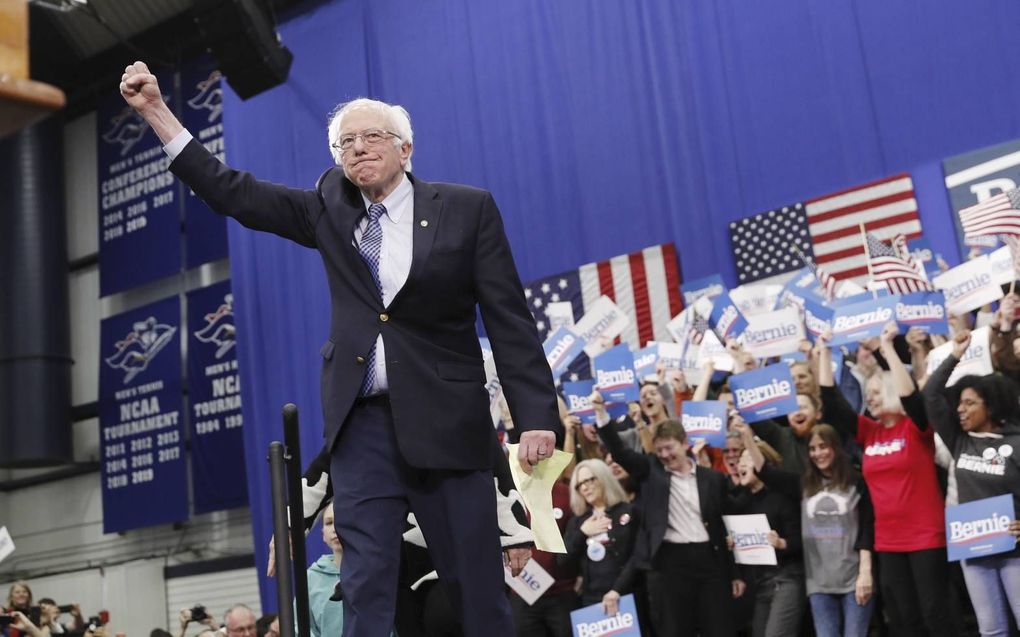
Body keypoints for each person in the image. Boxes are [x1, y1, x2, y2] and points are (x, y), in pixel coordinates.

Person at [119, 61, 559, 637]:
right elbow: (233, 193)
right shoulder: (328, 208)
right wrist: (156, 111)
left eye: (371, 136)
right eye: (345, 142)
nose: (357, 148)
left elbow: (509, 319)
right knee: (366, 587)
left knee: (475, 593)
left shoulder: (466, 209)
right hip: (363, 431)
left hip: (448, 424)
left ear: (406, 147)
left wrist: (535, 417)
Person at [818, 323, 951, 637]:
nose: (870, 399)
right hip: (888, 540)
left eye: (876, 392)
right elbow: (832, 402)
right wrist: (822, 351)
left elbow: (912, 396)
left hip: (925, 535)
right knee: (904, 619)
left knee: (936, 614)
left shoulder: (916, 428)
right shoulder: (869, 432)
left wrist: (888, 348)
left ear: (891, 390)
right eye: (868, 394)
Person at [592, 392, 743, 637]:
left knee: (719, 629)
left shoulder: (712, 479)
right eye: (659, 450)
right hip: (670, 563)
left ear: (685, 444)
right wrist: (601, 414)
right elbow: (620, 452)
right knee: (675, 630)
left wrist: (734, 574)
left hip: (709, 561)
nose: (664, 455)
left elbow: (722, 525)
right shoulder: (651, 471)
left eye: (669, 448)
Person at [924, 329, 1020, 636]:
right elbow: (931, 395)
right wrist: (955, 354)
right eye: (960, 404)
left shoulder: (1016, 443)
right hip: (975, 549)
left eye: (969, 403)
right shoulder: (959, 441)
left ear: (990, 406)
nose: (960, 410)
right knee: (991, 630)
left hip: (1014, 549)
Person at [728, 433, 804, 637]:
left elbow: (800, 539)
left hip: (786, 578)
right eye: (739, 461)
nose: (740, 465)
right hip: (760, 583)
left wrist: (781, 543)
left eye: (747, 460)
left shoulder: (782, 498)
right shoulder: (741, 501)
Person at [560, 460, 639, 616]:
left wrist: (617, 590)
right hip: (592, 600)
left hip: (627, 594)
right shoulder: (578, 522)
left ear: (603, 478)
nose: (584, 487)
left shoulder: (629, 511)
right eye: (579, 484)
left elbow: (638, 556)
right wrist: (582, 533)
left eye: (589, 480)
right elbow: (562, 561)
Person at [307, 503, 343, 637]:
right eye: (329, 523)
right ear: (322, 534)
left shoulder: (373, 571)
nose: (334, 529)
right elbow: (300, 627)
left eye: (340, 520)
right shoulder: (311, 579)